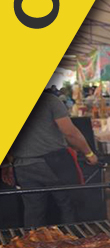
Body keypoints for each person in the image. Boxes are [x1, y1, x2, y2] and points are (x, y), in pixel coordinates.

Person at [6, 77, 99, 227]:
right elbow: (70, 132)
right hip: (54, 163)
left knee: (33, 209)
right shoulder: (49, 100)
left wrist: (8, 164)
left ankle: (33, 244)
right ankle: (71, 243)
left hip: (23, 166)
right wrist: (89, 154)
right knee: (68, 204)